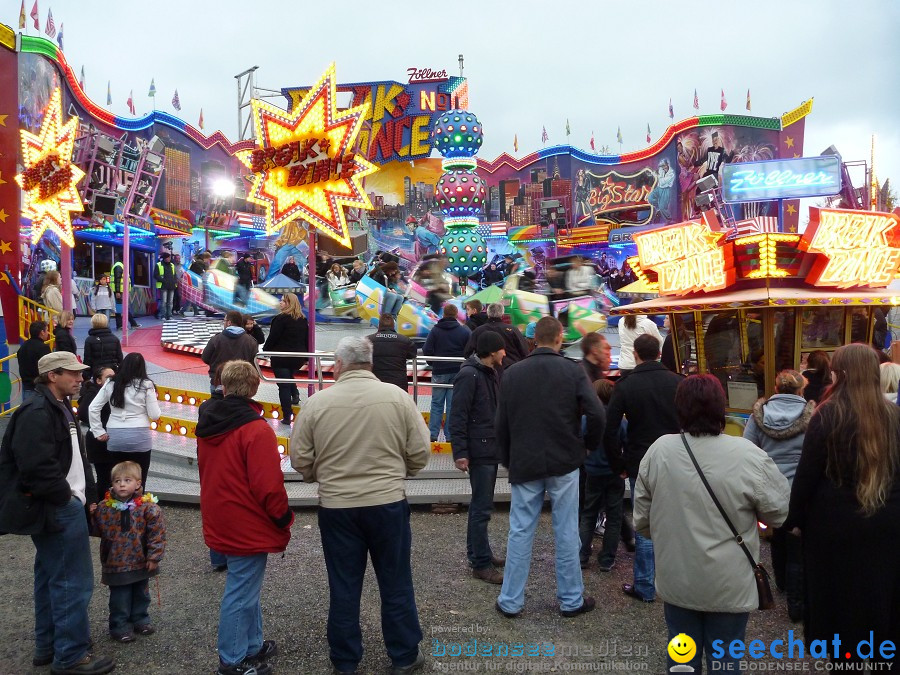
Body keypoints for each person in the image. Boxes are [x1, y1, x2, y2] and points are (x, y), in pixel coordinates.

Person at [291, 336, 429, 675]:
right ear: (371, 362)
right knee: (395, 580)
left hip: (337, 506)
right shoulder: (397, 398)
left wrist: (316, 476)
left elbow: (299, 457)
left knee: (344, 584)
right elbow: (420, 452)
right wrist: (401, 473)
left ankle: (345, 659)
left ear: (337, 365)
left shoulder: (317, 403)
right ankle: (404, 654)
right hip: (387, 503)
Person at [634, 375, 790, 674]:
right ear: (722, 408)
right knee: (725, 661)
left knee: (681, 659)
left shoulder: (659, 451)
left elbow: (643, 520)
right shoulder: (748, 456)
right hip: (729, 583)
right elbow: (780, 512)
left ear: (679, 408)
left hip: (678, 578)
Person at [0, 351, 116, 675]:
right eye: (73, 373)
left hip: (63, 504)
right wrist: (67, 498)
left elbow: (77, 457)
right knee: (72, 581)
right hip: (59, 508)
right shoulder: (37, 411)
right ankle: (70, 656)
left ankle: (48, 645)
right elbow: (36, 468)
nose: (80, 378)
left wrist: (87, 496)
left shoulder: (56, 405)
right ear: (52, 375)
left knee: (51, 577)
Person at [787, 344, 900, 662]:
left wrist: (793, 520)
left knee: (839, 603)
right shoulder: (894, 416)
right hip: (886, 523)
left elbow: (806, 477)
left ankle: (844, 660)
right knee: (882, 596)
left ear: (841, 374)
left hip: (834, 527)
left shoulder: (827, 415)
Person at [495, 317, 605, 618]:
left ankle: (511, 600)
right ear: (560, 338)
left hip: (525, 460)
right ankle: (571, 600)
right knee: (567, 531)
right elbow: (597, 414)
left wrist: (508, 458)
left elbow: (501, 423)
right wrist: (586, 446)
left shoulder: (512, 373)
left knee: (520, 531)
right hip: (564, 460)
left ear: (534, 339)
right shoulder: (572, 371)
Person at [197, 360, 292, 675]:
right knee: (241, 589)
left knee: (246, 584)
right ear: (254, 387)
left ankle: (251, 644)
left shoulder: (208, 423)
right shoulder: (255, 429)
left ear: (223, 386)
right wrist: (282, 517)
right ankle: (232, 658)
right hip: (247, 518)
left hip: (221, 512)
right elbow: (268, 484)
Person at [604, 333, 682, 603]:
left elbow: (610, 429)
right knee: (675, 521)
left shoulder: (626, 386)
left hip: (640, 460)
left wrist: (619, 464)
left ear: (635, 354)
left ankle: (645, 585)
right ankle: (675, 582)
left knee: (644, 523)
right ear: (659, 353)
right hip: (675, 460)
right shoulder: (677, 382)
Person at [742, 369, 813, 622]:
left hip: (769, 487)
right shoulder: (812, 415)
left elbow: (747, 449)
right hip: (799, 489)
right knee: (797, 545)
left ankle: (781, 583)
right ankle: (796, 606)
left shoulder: (758, 416)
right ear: (800, 390)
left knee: (777, 536)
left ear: (776, 388)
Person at [449, 331, 507, 584]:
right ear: (492, 352)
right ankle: (480, 563)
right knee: (482, 508)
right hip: (480, 449)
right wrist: (460, 452)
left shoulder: (486, 373)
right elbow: (458, 415)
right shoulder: (470, 375)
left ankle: (479, 553)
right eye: (502, 349)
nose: (505, 353)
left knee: (480, 506)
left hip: (487, 447)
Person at [89, 460, 166, 643]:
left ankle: (140, 619)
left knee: (141, 592)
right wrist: (93, 516)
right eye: (117, 481)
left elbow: (157, 533)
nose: (122, 484)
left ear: (138, 483)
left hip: (141, 560)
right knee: (120, 597)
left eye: (127, 480)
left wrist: (154, 556)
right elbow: (99, 531)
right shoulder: (105, 507)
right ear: (112, 484)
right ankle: (119, 625)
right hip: (116, 562)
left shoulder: (148, 508)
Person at [88, 352, 161, 488]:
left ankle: (116, 505)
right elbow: (155, 414)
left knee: (117, 478)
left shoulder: (111, 383)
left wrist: (98, 431)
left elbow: (93, 408)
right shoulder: (146, 384)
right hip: (139, 436)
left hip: (115, 436)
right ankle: (137, 506)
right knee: (139, 479)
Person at [580, 379, 625, 572]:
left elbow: (579, 440)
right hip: (614, 473)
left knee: (589, 513)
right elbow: (626, 442)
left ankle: (582, 555)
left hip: (593, 471)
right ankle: (607, 559)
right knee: (614, 516)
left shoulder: (586, 419)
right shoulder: (621, 421)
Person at [422, 304, 471, 442]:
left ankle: (433, 434)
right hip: (457, 371)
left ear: (443, 315)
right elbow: (470, 350)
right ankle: (450, 436)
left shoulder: (435, 331)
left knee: (437, 403)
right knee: (452, 405)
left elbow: (427, 350)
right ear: (456, 315)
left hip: (439, 371)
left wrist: (433, 363)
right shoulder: (464, 332)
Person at [262, 293, 309, 425]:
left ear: (289, 304)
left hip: (281, 356)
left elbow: (273, 337)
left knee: (283, 386)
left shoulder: (280, 319)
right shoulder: (302, 319)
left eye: (283, 301)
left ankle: (287, 416)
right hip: (298, 357)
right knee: (288, 376)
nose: (280, 302)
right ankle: (295, 395)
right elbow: (307, 339)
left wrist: (265, 350)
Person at [78, 366, 118, 493]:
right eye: (108, 377)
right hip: (98, 442)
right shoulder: (93, 393)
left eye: (114, 376)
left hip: (106, 440)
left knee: (109, 478)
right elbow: (84, 413)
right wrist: (99, 428)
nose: (112, 380)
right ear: (98, 380)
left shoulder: (111, 391)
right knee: (104, 478)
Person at [201, 310, 261, 395]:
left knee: (216, 407)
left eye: (224, 321)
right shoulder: (251, 341)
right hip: (242, 385)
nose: (224, 323)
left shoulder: (216, 339)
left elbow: (205, 358)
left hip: (219, 381)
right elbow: (253, 363)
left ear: (229, 323)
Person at [463, 303, 529, 369]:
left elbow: (468, 352)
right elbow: (524, 351)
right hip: (511, 368)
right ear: (502, 315)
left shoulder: (479, 331)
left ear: (488, 314)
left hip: (486, 370)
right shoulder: (513, 330)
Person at [368, 313, 417, 391]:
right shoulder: (404, 340)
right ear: (394, 325)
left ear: (379, 325)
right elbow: (412, 354)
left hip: (376, 383)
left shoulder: (368, 340)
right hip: (398, 384)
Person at [18, 320, 51, 401]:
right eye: (47, 330)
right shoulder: (43, 348)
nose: (48, 333)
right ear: (42, 332)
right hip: (40, 388)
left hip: (26, 387)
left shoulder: (23, 347)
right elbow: (49, 367)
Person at [111, 259, 140, 329]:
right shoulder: (119, 266)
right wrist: (118, 291)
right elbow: (117, 280)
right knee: (121, 308)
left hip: (121, 291)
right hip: (120, 292)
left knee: (122, 308)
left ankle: (127, 324)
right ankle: (126, 324)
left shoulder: (120, 266)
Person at [154, 252, 177, 320]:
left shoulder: (172, 265)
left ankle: (169, 315)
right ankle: (163, 315)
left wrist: (175, 282)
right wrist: (163, 280)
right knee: (163, 302)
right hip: (163, 286)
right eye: (168, 257)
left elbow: (174, 275)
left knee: (170, 302)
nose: (169, 259)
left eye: (169, 257)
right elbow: (155, 275)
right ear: (164, 258)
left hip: (171, 286)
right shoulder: (158, 265)